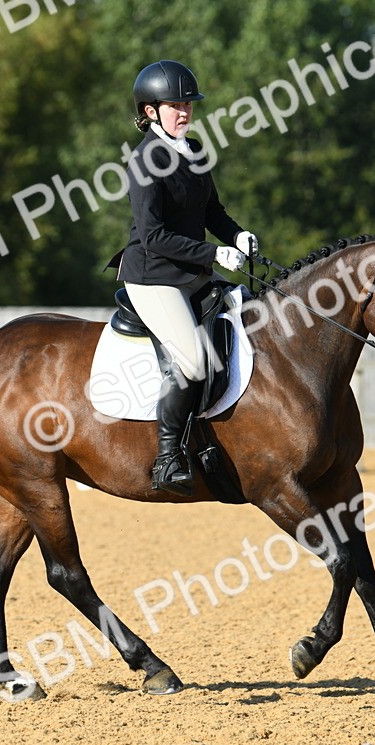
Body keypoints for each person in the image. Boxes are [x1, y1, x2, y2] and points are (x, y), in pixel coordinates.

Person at [117, 60, 258, 496]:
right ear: (151, 111)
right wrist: (215, 253)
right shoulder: (143, 162)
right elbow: (154, 236)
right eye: (175, 106)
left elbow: (212, 211)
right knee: (194, 362)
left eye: (188, 105)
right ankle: (168, 458)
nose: (184, 112)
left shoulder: (193, 150)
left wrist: (237, 235)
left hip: (191, 272)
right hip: (154, 276)